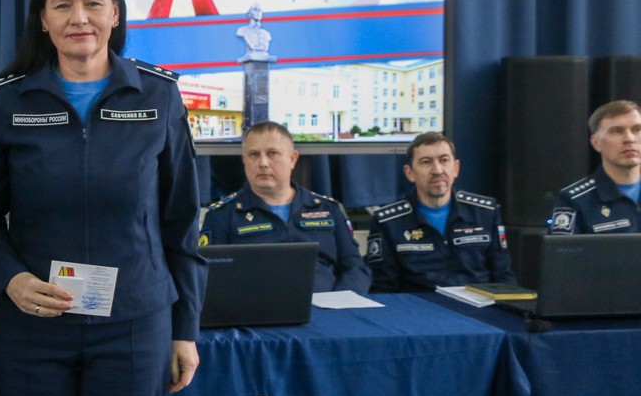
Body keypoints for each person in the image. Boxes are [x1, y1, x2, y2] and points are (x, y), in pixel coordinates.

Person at [0, 0, 206, 396]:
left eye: (93, 3)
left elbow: (180, 221)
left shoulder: (158, 96)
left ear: (115, 14)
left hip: (132, 327)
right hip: (34, 327)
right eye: (63, 5)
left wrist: (186, 329)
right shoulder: (8, 101)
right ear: (43, 20)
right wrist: (12, 279)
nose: (79, 17)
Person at [199, 121, 371, 293]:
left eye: (272, 153)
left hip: (328, 305)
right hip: (254, 307)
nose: (263, 163)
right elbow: (209, 276)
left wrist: (341, 301)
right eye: (254, 154)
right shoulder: (222, 215)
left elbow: (355, 268)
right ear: (244, 160)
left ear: (292, 159)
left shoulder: (328, 209)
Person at [365, 132, 514, 292]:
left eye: (444, 160)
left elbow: (503, 277)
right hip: (420, 305)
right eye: (426, 162)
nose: (437, 170)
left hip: (479, 304)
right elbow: (383, 288)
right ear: (410, 173)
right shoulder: (388, 222)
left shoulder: (485, 212)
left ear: (456, 168)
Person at [550, 99, 641, 234]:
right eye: (617, 131)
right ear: (596, 143)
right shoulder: (575, 200)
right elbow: (563, 247)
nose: (630, 139)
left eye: (637, 130)